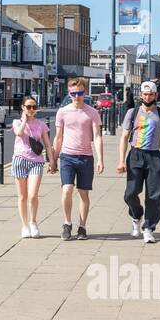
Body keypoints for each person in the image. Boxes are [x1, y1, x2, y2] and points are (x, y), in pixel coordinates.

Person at [117, 80, 160, 243]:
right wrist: (121, 160)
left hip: (154, 156)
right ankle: (136, 215)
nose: (148, 97)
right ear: (141, 95)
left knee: (155, 195)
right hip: (135, 155)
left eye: (151, 94)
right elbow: (124, 137)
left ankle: (148, 228)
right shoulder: (132, 113)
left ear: (156, 95)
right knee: (130, 193)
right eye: (145, 94)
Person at [51, 77, 104, 240]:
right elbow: (58, 137)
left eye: (80, 93)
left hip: (86, 157)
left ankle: (82, 226)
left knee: (83, 194)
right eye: (73, 93)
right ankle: (67, 224)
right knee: (67, 189)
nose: (77, 96)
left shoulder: (92, 112)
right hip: (67, 156)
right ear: (69, 93)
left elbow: (97, 136)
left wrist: (100, 159)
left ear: (85, 92)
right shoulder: (63, 112)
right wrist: (53, 159)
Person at [10, 96, 54, 239]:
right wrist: (24, 120)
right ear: (23, 107)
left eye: (34, 107)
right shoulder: (17, 122)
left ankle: (33, 221)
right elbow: (19, 133)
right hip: (20, 161)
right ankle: (24, 225)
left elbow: (47, 144)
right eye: (28, 107)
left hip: (36, 162)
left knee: (33, 194)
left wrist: (52, 160)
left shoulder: (41, 124)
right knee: (22, 196)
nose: (31, 110)